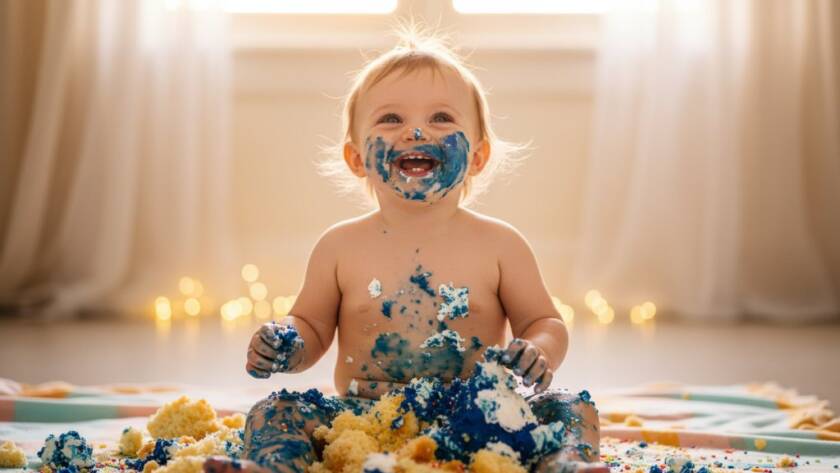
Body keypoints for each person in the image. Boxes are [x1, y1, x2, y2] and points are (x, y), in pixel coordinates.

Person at [205, 27, 606, 473]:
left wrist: (538, 350)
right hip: (362, 422)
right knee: (273, 410)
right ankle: (273, 467)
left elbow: (543, 321)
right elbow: (312, 327)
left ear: (478, 156)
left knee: (571, 408)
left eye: (441, 118)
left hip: (481, 419)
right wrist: (287, 342)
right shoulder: (339, 246)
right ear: (356, 159)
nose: (416, 130)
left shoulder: (501, 245)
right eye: (391, 119)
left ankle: (566, 465)